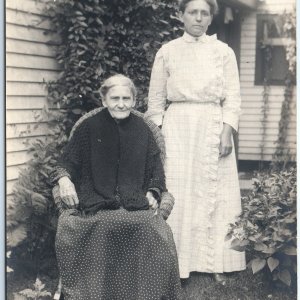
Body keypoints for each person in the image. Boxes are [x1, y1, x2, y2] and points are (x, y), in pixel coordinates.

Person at [50, 74, 182, 299]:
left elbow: (156, 171)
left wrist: (153, 191)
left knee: (153, 229)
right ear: (104, 101)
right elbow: (66, 163)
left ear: (133, 101)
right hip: (95, 202)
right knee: (96, 225)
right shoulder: (88, 128)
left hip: (134, 202)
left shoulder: (143, 129)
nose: (121, 104)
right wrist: (64, 180)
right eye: (115, 98)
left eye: (126, 98)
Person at [146, 0, 246, 283]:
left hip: (213, 125)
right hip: (178, 126)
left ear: (210, 18)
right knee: (179, 190)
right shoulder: (167, 52)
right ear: (181, 15)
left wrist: (227, 131)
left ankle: (216, 262)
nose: (199, 18)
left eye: (204, 13)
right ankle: (177, 263)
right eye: (193, 12)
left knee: (215, 192)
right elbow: (155, 101)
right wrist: (160, 136)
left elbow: (234, 98)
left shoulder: (223, 52)